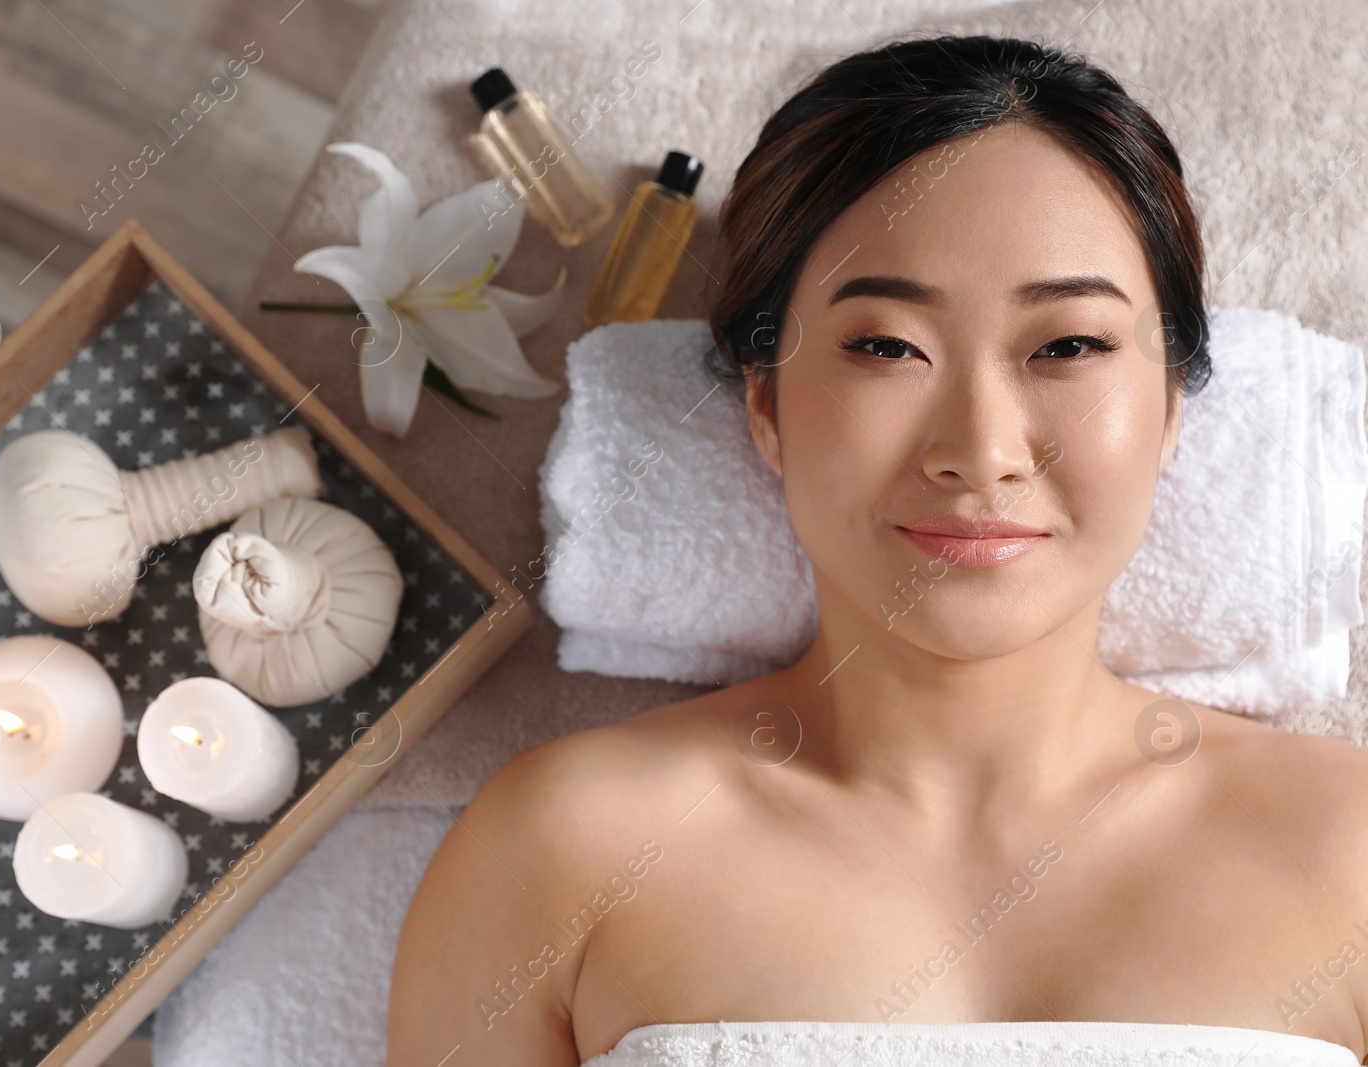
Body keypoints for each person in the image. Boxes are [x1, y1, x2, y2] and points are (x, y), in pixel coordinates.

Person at [386, 34, 1368, 1066]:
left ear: (1171, 403)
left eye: (1067, 345)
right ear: (765, 404)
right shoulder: (563, 846)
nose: (981, 453)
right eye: (885, 346)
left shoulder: (1345, 846)